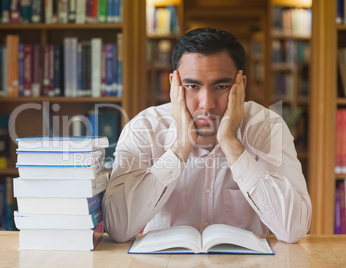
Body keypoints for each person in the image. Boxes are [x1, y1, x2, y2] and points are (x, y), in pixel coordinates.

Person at [102, 27, 312, 244]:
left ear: (241, 85)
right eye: (192, 86)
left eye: (221, 86)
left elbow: (294, 229)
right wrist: (181, 146)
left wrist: (231, 144)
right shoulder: (145, 127)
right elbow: (118, 228)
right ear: (174, 84)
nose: (207, 104)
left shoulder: (268, 127)